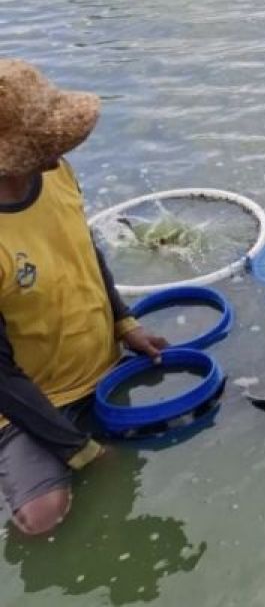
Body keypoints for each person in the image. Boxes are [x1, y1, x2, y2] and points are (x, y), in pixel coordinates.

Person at [0, 59, 166, 536]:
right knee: (42, 518)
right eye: (41, 150)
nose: (55, 159)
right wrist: (80, 450)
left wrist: (125, 324)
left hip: (100, 362)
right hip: (26, 397)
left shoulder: (58, 174)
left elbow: (83, 249)